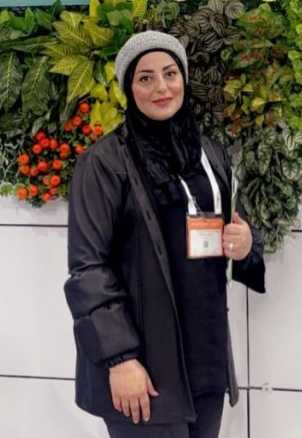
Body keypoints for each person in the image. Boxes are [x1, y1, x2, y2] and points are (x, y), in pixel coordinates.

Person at [64, 30, 266, 438]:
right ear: (129, 88)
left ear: (184, 79)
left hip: (205, 361)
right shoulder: (103, 163)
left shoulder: (209, 153)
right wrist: (119, 359)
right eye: (146, 78)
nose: (162, 87)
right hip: (145, 368)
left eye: (170, 73)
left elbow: (236, 228)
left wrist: (246, 246)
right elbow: (88, 269)